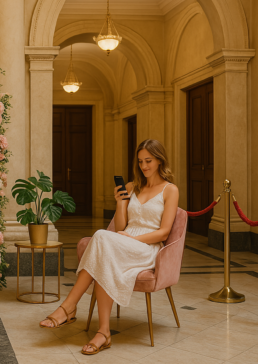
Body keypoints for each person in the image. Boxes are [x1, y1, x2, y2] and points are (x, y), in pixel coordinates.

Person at [39, 139, 179, 355]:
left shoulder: (170, 190)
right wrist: (121, 203)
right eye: (140, 161)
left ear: (160, 160)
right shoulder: (132, 186)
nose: (144, 166)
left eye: (148, 161)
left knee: (102, 237)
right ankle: (103, 332)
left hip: (147, 246)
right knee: (104, 253)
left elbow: (164, 232)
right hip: (124, 240)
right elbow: (122, 226)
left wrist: (133, 240)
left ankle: (68, 307)